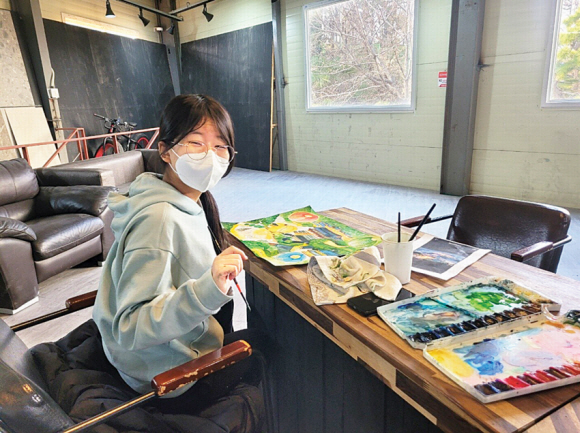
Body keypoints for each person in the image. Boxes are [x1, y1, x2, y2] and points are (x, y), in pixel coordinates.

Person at [93, 94, 267, 414]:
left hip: (169, 351)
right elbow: (130, 326)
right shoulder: (159, 219)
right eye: (195, 143)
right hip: (166, 378)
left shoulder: (186, 198)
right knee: (271, 347)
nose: (211, 156)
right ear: (165, 150)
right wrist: (207, 288)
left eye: (220, 146)